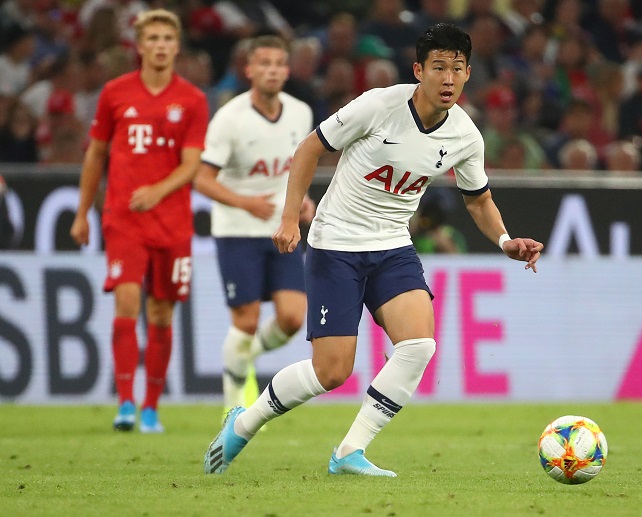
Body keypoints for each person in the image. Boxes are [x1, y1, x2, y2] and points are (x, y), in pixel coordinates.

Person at [204, 22, 543, 477]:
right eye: (438, 67)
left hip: (392, 247)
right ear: (419, 70)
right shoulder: (378, 105)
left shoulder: (465, 135)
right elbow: (308, 149)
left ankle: (349, 452)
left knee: (419, 345)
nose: (447, 79)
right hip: (336, 245)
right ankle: (244, 422)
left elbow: (478, 198)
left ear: (467, 74)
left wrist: (505, 241)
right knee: (332, 372)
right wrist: (289, 218)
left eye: (457, 69)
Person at [69, 9, 209, 433]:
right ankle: (126, 403)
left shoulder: (192, 100)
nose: (161, 45)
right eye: (154, 38)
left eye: (169, 37)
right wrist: (82, 212)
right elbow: (95, 154)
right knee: (127, 302)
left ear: (177, 46)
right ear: (140, 45)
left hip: (171, 221)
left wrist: (157, 191)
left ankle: (151, 406)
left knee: (161, 313)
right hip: (123, 218)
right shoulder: (115, 93)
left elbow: (191, 165)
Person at [193, 34, 315, 417]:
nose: (273, 71)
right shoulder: (230, 118)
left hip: (281, 227)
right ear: (249, 70)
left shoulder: (300, 112)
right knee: (245, 321)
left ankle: (243, 356)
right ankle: (234, 408)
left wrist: (301, 201)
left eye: (279, 63)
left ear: (287, 69)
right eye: (264, 64)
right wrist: (246, 202)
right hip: (237, 230)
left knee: (293, 317)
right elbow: (202, 178)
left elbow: (297, 168)